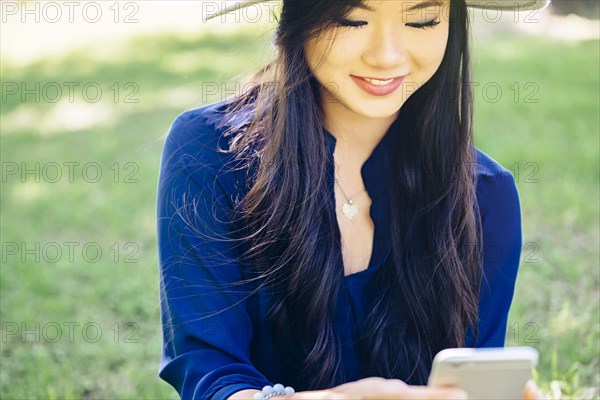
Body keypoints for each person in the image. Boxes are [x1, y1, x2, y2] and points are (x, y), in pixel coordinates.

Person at [156, 0, 551, 399]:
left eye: (421, 20)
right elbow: (210, 376)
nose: (386, 55)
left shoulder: (486, 195)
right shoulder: (209, 152)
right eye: (352, 19)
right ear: (297, 19)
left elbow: (475, 382)